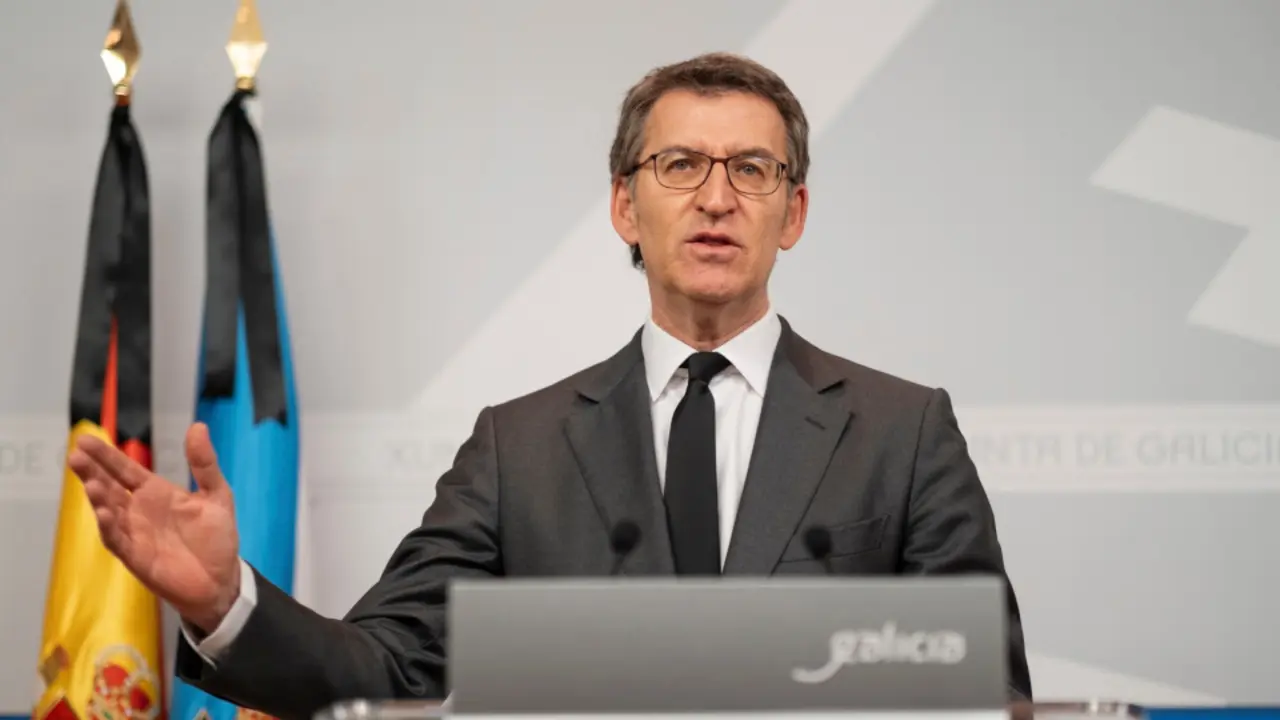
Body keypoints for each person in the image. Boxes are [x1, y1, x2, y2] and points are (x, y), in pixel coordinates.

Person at [70, 52, 1033, 719]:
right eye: (679, 164)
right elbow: (378, 672)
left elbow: (991, 691)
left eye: (753, 168)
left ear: (795, 212)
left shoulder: (903, 431)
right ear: (625, 204)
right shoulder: (518, 450)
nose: (715, 196)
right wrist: (223, 600)